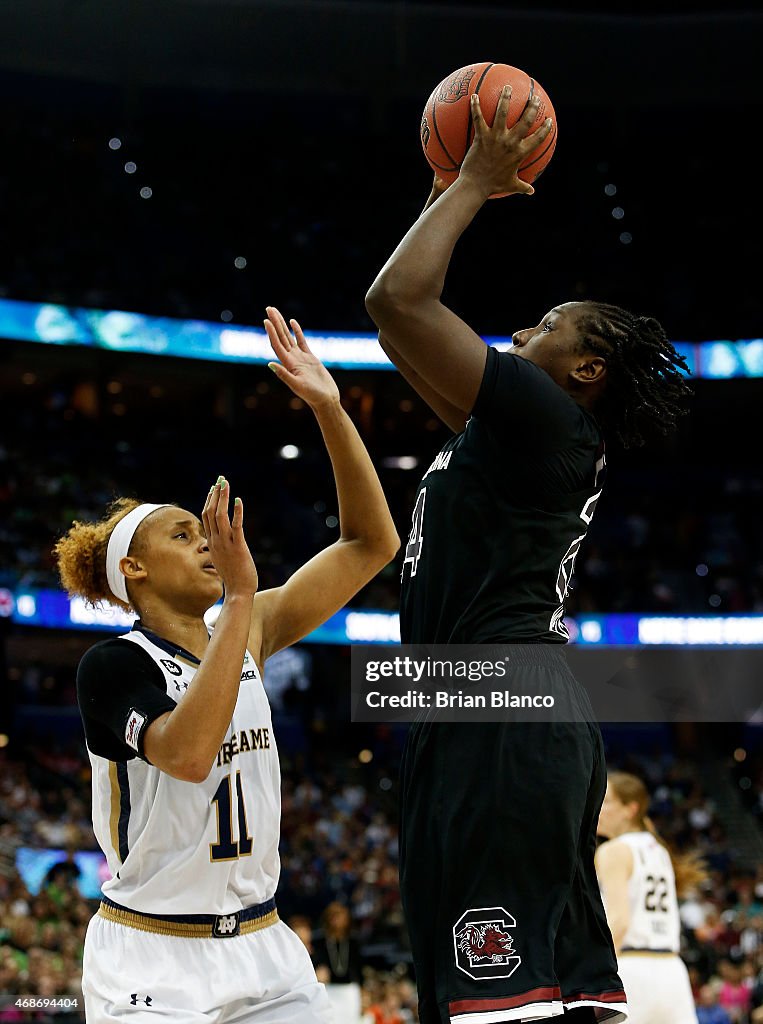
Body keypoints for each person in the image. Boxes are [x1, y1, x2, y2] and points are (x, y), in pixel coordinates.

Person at [365, 85, 692, 1024]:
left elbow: (395, 298)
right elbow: (402, 334)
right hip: (475, 700)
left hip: (497, 701)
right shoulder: (511, 435)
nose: (517, 332)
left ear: (584, 370)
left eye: (544, 325)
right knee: (532, 1003)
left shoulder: (547, 420)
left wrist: (468, 182)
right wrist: (443, 189)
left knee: (500, 1007)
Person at [53, 307, 399, 1023]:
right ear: (136, 569)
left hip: (263, 946)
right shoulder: (112, 666)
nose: (209, 538)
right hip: (151, 957)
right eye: (186, 534)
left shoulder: (246, 623)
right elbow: (185, 754)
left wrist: (329, 410)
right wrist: (240, 597)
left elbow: (370, 544)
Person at [596, 771, 708, 1024]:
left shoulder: (614, 850)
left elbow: (620, 921)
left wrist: (594, 973)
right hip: (672, 972)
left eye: (606, 802)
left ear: (630, 809)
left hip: (634, 971)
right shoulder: (659, 849)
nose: (598, 808)